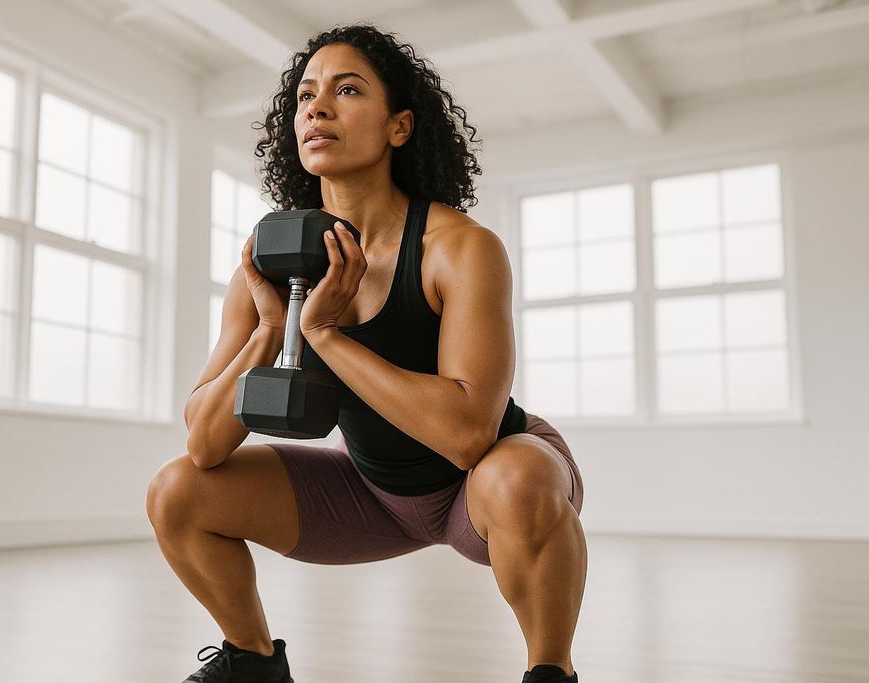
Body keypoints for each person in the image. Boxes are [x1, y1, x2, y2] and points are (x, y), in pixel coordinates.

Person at [147, 24, 587, 683]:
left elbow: (469, 435)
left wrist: (324, 336)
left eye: (346, 90)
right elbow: (205, 443)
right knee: (176, 490)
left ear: (399, 127)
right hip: (372, 491)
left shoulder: (458, 248)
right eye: (305, 96)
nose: (317, 107)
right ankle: (254, 663)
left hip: (484, 483)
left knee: (517, 477)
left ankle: (550, 672)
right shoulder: (267, 267)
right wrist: (273, 329)